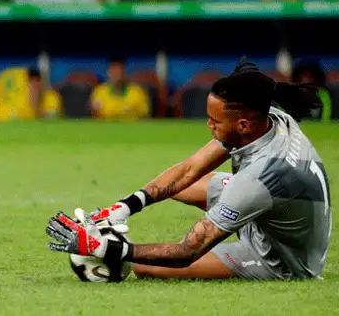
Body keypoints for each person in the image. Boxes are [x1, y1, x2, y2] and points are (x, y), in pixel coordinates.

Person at [48, 60, 331, 281]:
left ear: (243, 125)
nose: (209, 127)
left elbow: (187, 251)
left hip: (282, 260)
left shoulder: (259, 178)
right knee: (181, 184)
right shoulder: (267, 118)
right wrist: (124, 207)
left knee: (147, 269)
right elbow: (189, 169)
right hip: (278, 212)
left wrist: (106, 249)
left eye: (214, 121)